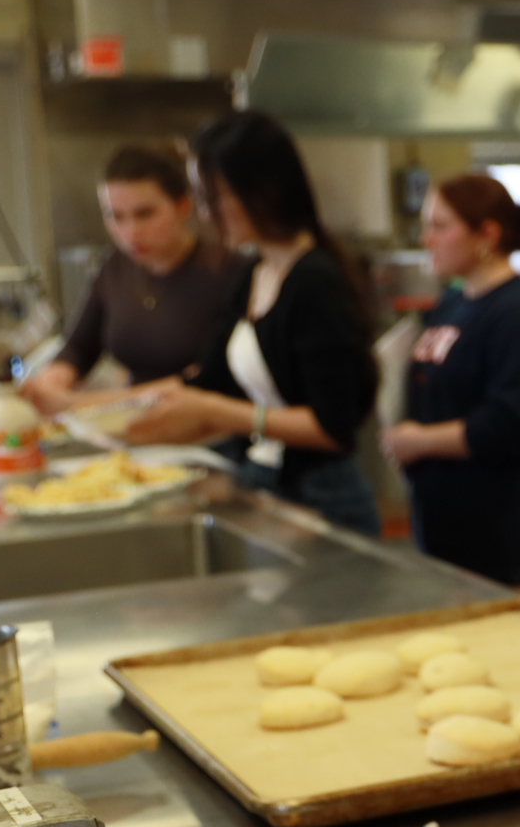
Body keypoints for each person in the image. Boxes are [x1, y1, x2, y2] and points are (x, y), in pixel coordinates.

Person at [127, 111, 382, 537]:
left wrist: (214, 412)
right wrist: (103, 414)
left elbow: (332, 427)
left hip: (322, 497)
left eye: (215, 199)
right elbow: (207, 381)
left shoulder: (315, 281)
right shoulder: (254, 273)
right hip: (266, 481)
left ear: (262, 190)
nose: (206, 215)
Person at [383, 174, 520, 587]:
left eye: (440, 227)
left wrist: (419, 441)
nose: (427, 239)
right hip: (443, 524)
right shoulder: (453, 302)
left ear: (487, 234)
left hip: (496, 529)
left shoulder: (519, 315)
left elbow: (512, 424)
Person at [21, 144, 247, 412]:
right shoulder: (114, 266)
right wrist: (56, 377)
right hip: (131, 424)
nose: (130, 232)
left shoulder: (229, 272)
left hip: (205, 428)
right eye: (114, 216)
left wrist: (75, 402)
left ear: (183, 206)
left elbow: (201, 383)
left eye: (145, 214)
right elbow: (79, 346)